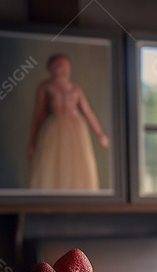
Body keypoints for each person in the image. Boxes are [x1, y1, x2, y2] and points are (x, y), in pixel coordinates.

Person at [27, 53, 110, 190]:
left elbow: (88, 112)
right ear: (50, 68)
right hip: (55, 128)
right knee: (52, 163)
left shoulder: (75, 88)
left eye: (65, 65)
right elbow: (39, 114)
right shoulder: (45, 87)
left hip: (77, 129)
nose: (62, 69)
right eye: (58, 65)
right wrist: (32, 141)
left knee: (78, 163)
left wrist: (100, 134)